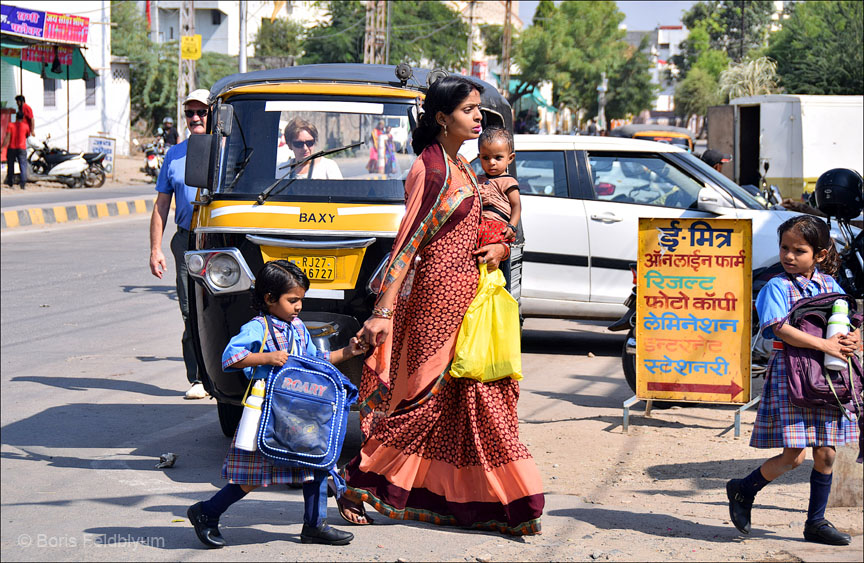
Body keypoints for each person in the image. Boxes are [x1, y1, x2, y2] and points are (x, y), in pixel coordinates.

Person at [337, 75, 545, 535]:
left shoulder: (464, 166)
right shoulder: (431, 170)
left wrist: (502, 249)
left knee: (469, 401)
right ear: (440, 118)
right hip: (436, 301)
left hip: (472, 300)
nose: (478, 118)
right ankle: (355, 482)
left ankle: (481, 504)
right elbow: (406, 245)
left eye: (478, 110)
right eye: (469, 110)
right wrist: (382, 313)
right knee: (422, 403)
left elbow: (494, 224)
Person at [187, 260, 367, 548]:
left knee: (315, 466)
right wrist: (265, 358)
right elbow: (229, 358)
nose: (298, 307)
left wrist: (348, 352)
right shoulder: (257, 328)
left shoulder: (298, 328)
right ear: (269, 298)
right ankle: (206, 512)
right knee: (251, 477)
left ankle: (314, 526)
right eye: (292, 300)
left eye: (300, 300)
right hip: (268, 414)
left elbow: (314, 362)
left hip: (299, 413)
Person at [726, 215, 860, 545]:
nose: (788, 256)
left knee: (826, 454)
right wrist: (826, 345)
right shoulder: (776, 286)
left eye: (798, 250)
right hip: (792, 375)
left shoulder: (831, 286)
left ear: (821, 253)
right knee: (793, 456)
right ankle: (743, 490)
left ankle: (815, 522)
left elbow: (844, 322)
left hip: (826, 378)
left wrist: (854, 340)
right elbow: (779, 328)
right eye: (784, 248)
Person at [149, 88, 211, 400]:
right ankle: (198, 378)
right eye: (190, 113)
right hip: (186, 240)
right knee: (190, 312)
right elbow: (161, 206)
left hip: (218, 240)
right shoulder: (174, 155)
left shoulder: (226, 150)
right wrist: (155, 249)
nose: (196, 118)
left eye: (202, 112)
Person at [476, 126, 521, 247]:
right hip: (478, 232)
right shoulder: (477, 180)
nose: (491, 162)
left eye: (498, 157)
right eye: (486, 158)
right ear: (479, 157)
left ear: (510, 158)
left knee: (497, 264)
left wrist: (511, 226)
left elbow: (516, 206)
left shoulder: (508, 182)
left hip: (499, 233)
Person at [277, 118, 342, 179]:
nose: (305, 148)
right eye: (299, 144)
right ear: (289, 145)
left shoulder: (328, 167)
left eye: (309, 143)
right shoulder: (281, 170)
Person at [3, 111, 31, 189]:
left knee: (11, 165)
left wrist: (2, 147)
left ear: (16, 117)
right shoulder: (26, 126)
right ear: (23, 118)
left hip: (11, 148)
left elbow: (7, 137)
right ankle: (23, 183)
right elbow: (27, 135)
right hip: (22, 148)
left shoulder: (11, 125)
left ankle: (10, 182)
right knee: (23, 165)